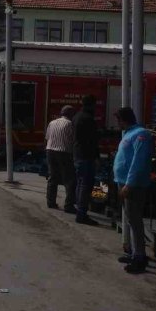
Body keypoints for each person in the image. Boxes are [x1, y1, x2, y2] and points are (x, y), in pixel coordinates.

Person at [113, 107, 154, 274]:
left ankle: (140, 257)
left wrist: (129, 184)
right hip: (122, 182)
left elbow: (138, 161)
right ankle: (135, 252)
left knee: (135, 220)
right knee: (130, 219)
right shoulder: (128, 133)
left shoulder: (141, 134)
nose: (117, 124)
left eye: (118, 120)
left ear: (124, 119)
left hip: (133, 185)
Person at [72, 95, 100, 226]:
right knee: (85, 185)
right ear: (92, 104)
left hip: (78, 154)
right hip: (86, 156)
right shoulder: (88, 119)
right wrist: (96, 157)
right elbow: (93, 140)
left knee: (80, 183)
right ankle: (82, 214)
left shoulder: (77, 116)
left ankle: (80, 211)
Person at [45, 105, 76, 213]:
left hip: (50, 150)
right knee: (69, 179)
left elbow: (47, 137)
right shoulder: (69, 124)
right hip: (64, 152)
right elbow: (73, 140)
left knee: (52, 177)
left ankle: (50, 202)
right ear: (71, 114)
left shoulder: (52, 123)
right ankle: (68, 205)